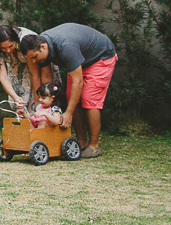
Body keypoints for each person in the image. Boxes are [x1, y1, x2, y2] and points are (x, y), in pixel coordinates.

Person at [19, 23, 118, 159]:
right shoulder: (42, 45)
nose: (34, 61)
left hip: (100, 58)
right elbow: (47, 78)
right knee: (72, 97)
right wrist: (48, 105)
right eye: (31, 59)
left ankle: (93, 146)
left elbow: (78, 82)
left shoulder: (65, 46)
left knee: (89, 99)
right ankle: (81, 142)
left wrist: (68, 113)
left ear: (43, 47)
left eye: (35, 57)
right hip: (81, 61)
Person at [0, 25, 60, 111]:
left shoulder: (25, 42)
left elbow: (35, 74)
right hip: (16, 68)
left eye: (11, 46)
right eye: (3, 48)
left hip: (37, 63)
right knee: (19, 101)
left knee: (40, 102)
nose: (8, 51)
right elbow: (3, 78)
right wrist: (15, 97)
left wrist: (37, 101)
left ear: (15, 40)